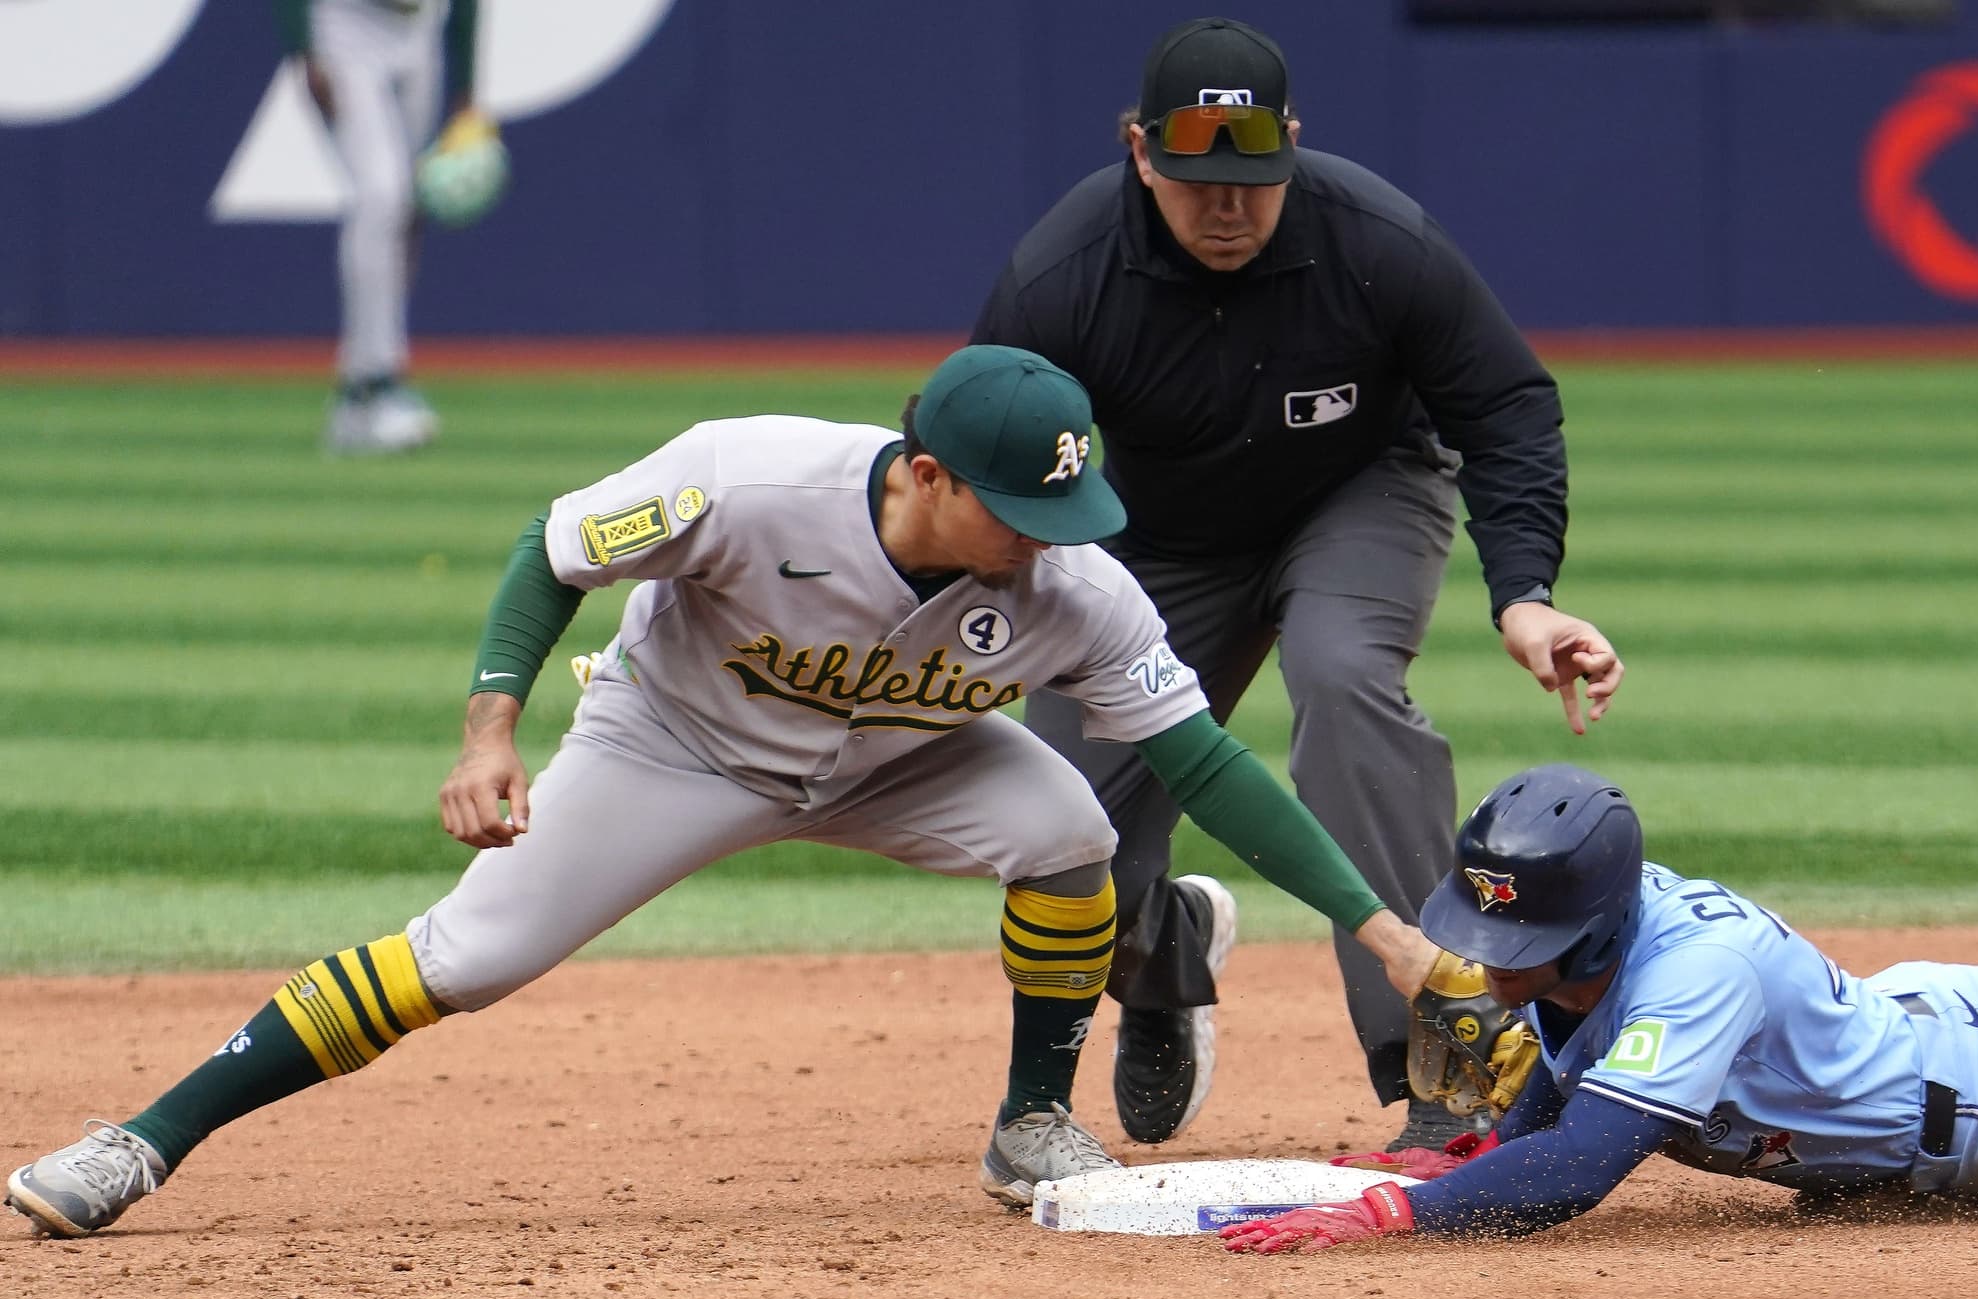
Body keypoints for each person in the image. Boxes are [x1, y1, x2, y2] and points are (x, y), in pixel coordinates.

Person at [4, 345, 1444, 1241]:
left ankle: (1026, 1120)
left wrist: (1375, 930)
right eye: (1019, 509)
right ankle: (142, 1139)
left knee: (1069, 828)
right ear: (927, 474)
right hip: (673, 746)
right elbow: (551, 550)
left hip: (905, 760)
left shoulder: (1074, 587)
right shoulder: (741, 480)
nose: (1048, 542)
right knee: (469, 956)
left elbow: (1205, 764)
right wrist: (487, 731)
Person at [972, 16, 1624, 1156]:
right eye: (1194, 183)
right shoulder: (1062, 275)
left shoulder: (1377, 239)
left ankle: (1443, 1047)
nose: (1226, 206)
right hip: (1159, 543)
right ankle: (1166, 955)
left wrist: (1523, 591)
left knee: (1342, 677)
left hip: (1357, 495)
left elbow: (1503, 404)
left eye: (1252, 181)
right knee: (1063, 817)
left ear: (1293, 146)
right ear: (1137, 150)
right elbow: (976, 441)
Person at [1216, 764, 1978, 1254]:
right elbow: (1567, 1077)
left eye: (1521, 953)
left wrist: (1396, 1212)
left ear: (1599, 924)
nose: (1495, 972)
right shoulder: (1580, 935)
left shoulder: (1698, 967)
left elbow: (1575, 1170)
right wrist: (1474, 1157)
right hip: (1922, 1055)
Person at [276, 0, 486, 454]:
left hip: (419, 29)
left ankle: (356, 398)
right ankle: (378, 380)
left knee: (406, 207)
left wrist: (466, 87)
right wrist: (304, 51)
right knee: (380, 196)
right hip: (343, 26)